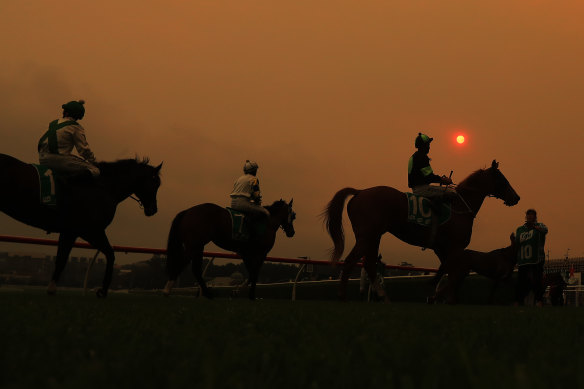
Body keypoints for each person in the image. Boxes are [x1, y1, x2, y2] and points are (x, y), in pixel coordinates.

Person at [38, 100, 100, 178]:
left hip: (42, 158)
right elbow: (84, 151)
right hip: (58, 160)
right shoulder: (76, 127)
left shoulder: (51, 123)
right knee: (95, 170)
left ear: (67, 112)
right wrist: (94, 162)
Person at [515, 209, 548, 306]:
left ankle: (539, 300)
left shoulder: (540, 225)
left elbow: (545, 230)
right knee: (521, 282)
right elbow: (517, 243)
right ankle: (519, 301)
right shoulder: (520, 229)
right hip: (523, 260)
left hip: (536, 259)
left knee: (537, 281)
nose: (529, 217)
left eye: (532, 215)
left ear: (535, 217)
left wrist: (534, 226)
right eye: (528, 215)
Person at [408, 132, 454, 200]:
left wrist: (441, 179)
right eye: (428, 145)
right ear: (424, 146)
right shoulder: (422, 157)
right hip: (423, 189)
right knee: (451, 192)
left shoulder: (414, 156)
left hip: (416, 188)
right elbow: (429, 177)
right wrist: (443, 180)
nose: (429, 147)